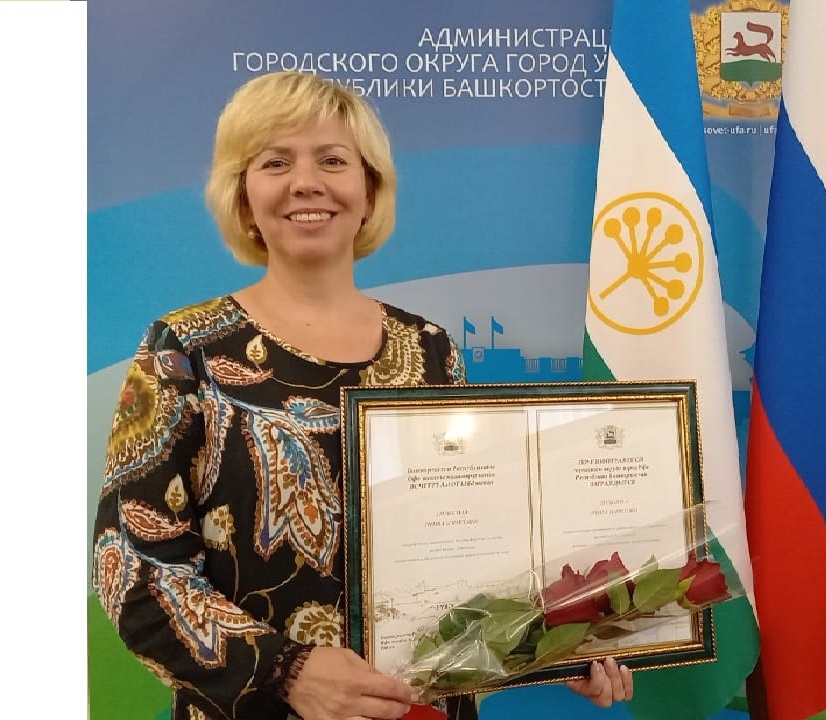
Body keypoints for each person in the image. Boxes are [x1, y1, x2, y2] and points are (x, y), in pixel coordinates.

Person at [91, 70, 634, 720]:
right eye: (274, 162)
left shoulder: (431, 351)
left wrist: (562, 640)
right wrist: (286, 671)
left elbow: (475, 547)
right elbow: (132, 568)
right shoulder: (185, 349)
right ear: (243, 196)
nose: (305, 182)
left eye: (332, 160)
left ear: (370, 190)